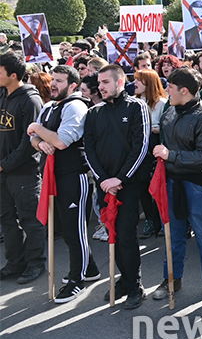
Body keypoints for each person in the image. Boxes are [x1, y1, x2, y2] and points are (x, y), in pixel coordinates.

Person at [151, 67, 202, 302]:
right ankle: (171, 278)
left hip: (199, 185)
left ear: (184, 91)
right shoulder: (171, 112)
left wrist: (169, 155)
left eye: (171, 87)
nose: (167, 91)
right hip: (173, 182)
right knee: (172, 234)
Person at [27, 66, 98, 303]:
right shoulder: (49, 106)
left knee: (74, 230)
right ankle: (90, 269)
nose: (53, 84)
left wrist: (38, 131)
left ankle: (76, 279)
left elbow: (60, 141)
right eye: (53, 80)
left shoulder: (75, 106)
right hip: (53, 176)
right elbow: (33, 137)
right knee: (65, 229)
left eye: (59, 80)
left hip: (74, 177)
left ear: (73, 85)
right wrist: (39, 142)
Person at [83, 65, 151, 309]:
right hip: (105, 186)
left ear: (120, 83)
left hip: (128, 186)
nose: (100, 87)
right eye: (99, 83)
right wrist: (102, 179)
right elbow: (88, 148)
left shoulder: (136, 107)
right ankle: (125, 278)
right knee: (113, 235)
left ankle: (135, 286)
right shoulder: (94, 113)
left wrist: (120, 178)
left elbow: (141, 146)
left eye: (105, 82)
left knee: (126, 236)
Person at [0, 52, 45, 285]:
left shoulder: (31, 100)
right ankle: (14, 262)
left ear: (13, 74)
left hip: (24, 172)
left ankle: (35, 263)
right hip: (3, 173)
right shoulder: (3, 95)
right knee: (7, 219)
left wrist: (5, 164)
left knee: (30, 219)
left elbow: (30, 143)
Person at [133, 69, 168, 238]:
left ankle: (162, 220)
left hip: (155, 147)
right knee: (142, 186)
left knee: (158, 186)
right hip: (140, 148)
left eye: (139, 80)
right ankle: (149, 219)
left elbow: (167, 126)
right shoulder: (134, 102)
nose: (135, 84)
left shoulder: (161, 103)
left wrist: (156, 129)